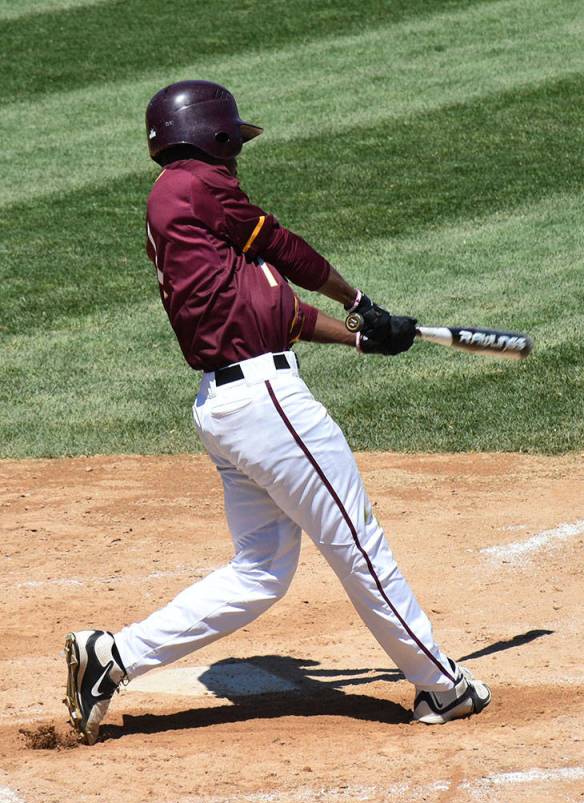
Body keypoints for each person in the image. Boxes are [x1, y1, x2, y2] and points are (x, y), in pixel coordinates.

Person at [63, 80, 490, 745]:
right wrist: (359, 297)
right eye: (233, 142)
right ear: (214, 137)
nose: (237, 159)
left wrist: (361, 337)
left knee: (261, 571)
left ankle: (112, 656)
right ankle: (442, 683)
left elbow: (279, 310)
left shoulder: (205, 232)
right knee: (357, 540)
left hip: (234, 405)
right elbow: (286, 247)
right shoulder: (193, 186)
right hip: (265, 406)